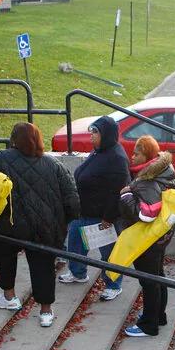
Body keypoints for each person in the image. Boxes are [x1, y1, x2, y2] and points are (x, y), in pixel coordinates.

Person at [0, 123, 80, 327]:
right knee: (43, 265)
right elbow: (72, 199)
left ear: (13, 140)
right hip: (44, 227)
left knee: (4, 257)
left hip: (8, 225)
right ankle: (45, 311)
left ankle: (9, 297)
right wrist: (64, 222)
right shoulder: (53, 164)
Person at [59, 116, 130, 301]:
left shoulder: (117, 158)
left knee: (109, 254)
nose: (91, 136)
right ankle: (78, 273)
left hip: (102, 217)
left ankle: (113, 285)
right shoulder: (99, 151)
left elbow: (118, 191)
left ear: (106, 135)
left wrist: (108, 217)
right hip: (84, 210)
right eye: (92, 132)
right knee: (75, 242)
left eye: (95, 133)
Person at [120, 136, 175, 337]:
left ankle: (149, 324)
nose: (132, 156)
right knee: (158, 276)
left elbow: (146, 214)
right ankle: (159, 316)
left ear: (147, 156)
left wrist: (126, 196)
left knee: (149, 281)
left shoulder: (146, 181)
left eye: (137, 153)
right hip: (160, 236)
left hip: (147, 239)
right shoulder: (162, 172)